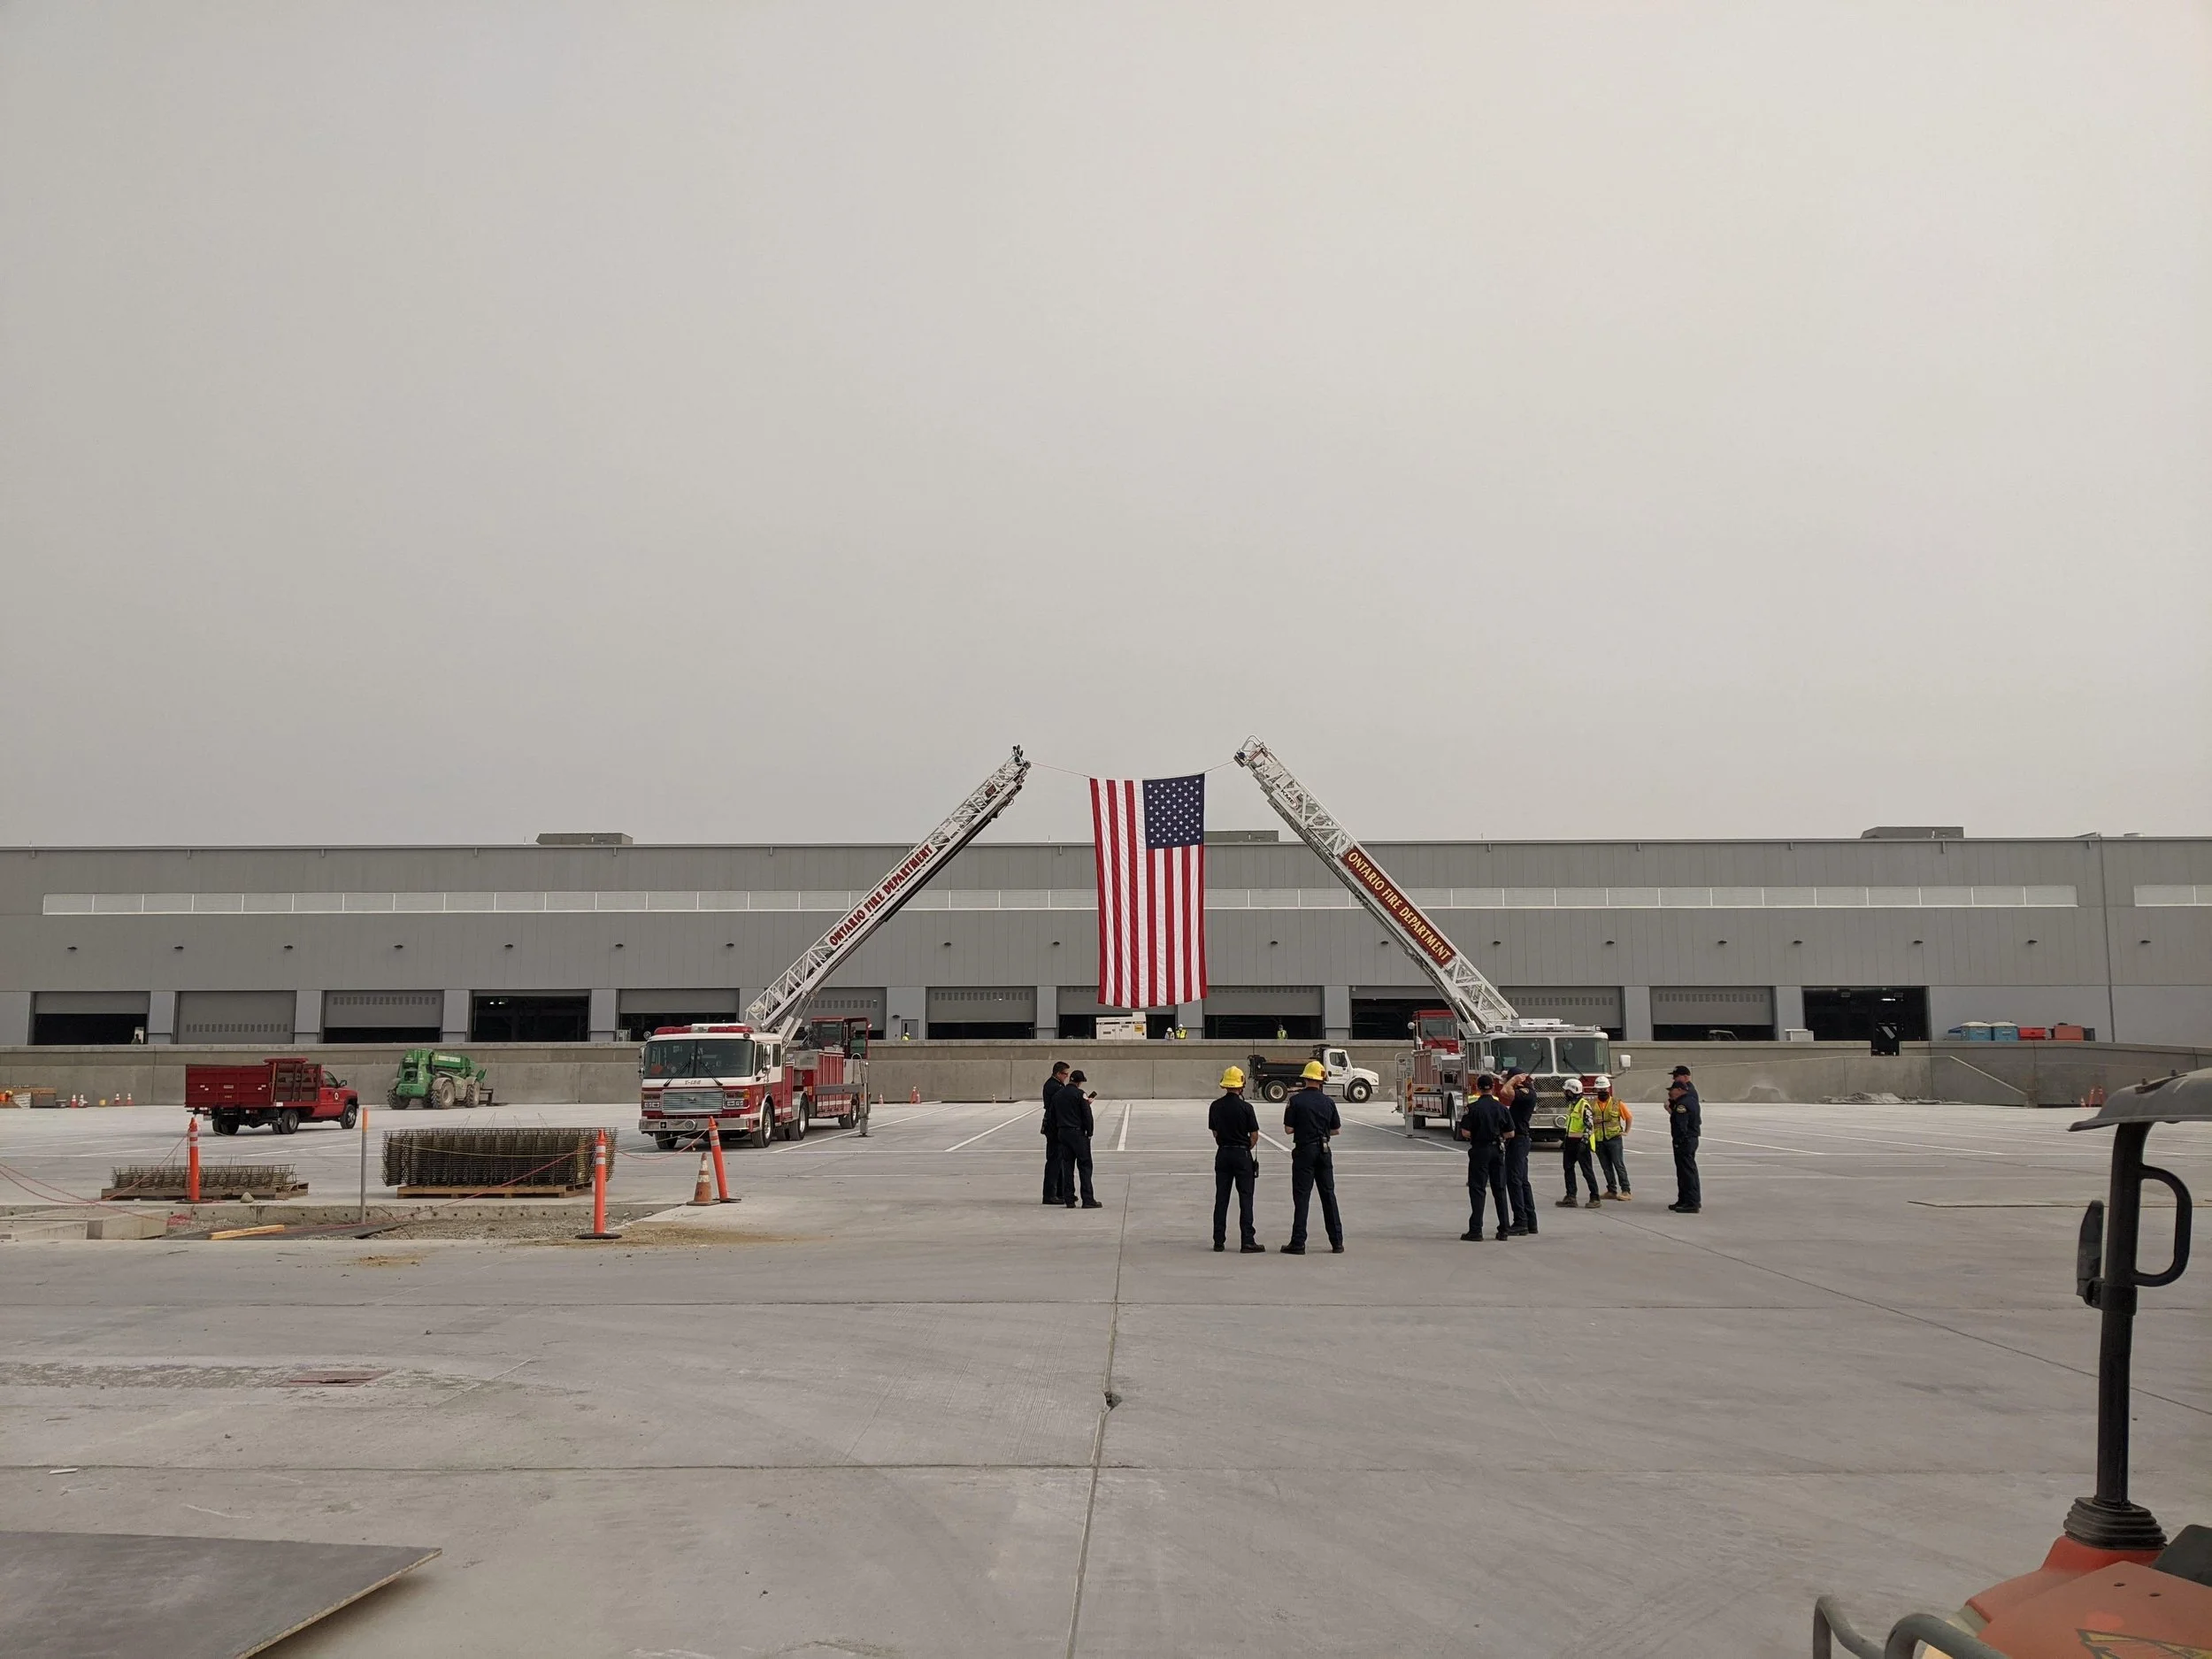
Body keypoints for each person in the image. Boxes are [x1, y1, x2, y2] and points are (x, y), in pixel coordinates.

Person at [1280, 1059, 1343, 1254]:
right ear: (1321, 1080)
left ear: (1306, 1078)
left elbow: (1288, 1129)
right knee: (1328, 1196)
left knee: (1302, 1197)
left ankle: (1298, 1243)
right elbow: (1336, 1130)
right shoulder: (1328, 1101)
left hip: (1304, 1151)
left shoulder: (1295, 1100)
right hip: (1324, 1150)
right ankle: (1337, 1242)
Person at [1207, 1064, 1263, 1253]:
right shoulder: (1247, 1108)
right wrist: (1246, 1148)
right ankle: (1247, 1241)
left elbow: (1215, 1133)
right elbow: (1254, 1135)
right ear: (1241, 1085)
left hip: (1223, 1153)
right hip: (1242, 1154)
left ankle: (1218, 1240)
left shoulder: (1215, 1106)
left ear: (1224, 1085)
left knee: (1221, 1198)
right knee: (1246, 1198)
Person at [1455, 1072, 1513, 1240]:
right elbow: (1510, 1132)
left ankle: (1476, 1230)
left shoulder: (1473, 1108)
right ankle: (1504, 1229)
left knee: (1478, 1189)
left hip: (1480, 1150)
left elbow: (1465, 1132)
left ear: (1478, 1088)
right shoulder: (1501, 1108)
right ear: (1493, 1088)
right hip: (1497, 1150)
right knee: (1500, 1189)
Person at [1056, 1069, 1102, 1209]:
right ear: (1080, 1082)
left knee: (1067, 1166)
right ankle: (1087, 1199)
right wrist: (1090, 1132)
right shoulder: (1080, 1094)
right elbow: (1086, 1115)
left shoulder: (1058, 1094)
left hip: (1063, 1132)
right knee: (1085, 1166)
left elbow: (1053, 1114)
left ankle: (1069, 1199)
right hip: (1078, 1133)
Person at [1502, 1070, 1539, 1235]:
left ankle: (1520, 1221)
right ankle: (1530, 1222)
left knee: (1514, 1181)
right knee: (1523, 1181)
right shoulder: (1525, 1092)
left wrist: (1513, 1080)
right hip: (1519, 1140)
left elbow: (1504, 1092)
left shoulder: (1526, 1092)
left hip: (1518, 1140)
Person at [1556, 1079, 1602, 1209]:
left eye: (1567, 1092)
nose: (1565, 1094)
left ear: (1572, 1091)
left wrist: (1584, 1142)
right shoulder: (1572, 1105)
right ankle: (1571, 1196)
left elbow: (1590, 1126)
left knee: (1587, 1171)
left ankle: (1595, 1197)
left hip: (1581, 1143)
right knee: (1568, 1168)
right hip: (1570, 1143)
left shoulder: (1584, 1106)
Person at [1665, 1064, 1702, 1213]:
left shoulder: (1685, 1101)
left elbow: (1682, 1125)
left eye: (1672, 1090)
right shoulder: (1688, 1098)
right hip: (1688, 1139)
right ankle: (1685, 1199)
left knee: (1687, 1171)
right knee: (1683, 1172)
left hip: (1685, 1141)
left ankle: (1692, 1202)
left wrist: (1679, 1142)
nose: (1670, 1094)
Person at [1592, 1079, 1632, 1201]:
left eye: (1604, 1089)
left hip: (1614, 1139)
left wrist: (1626, 1131)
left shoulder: (1616, 1103)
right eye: (1600, 1090)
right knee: (1606, 1167)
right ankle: (1611, 1190)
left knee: (1618, 1165)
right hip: (1599, 1139)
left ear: (1608, 1089)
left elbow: (1628, 1117)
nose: (1602, 1092)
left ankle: (1626, 1190)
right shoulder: (1592, 1104)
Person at [1041, 1061, 1071, 1205]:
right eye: (1065, 1074)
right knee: (1054, 1161)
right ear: (1058, 1073)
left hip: (1057, 1125)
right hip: (1054, 1127)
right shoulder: (1053, 1086)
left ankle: (1060, 1192)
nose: (1067, 1077)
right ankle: (1049, 1194)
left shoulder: (1057, 1085)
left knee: (1059, 1160)